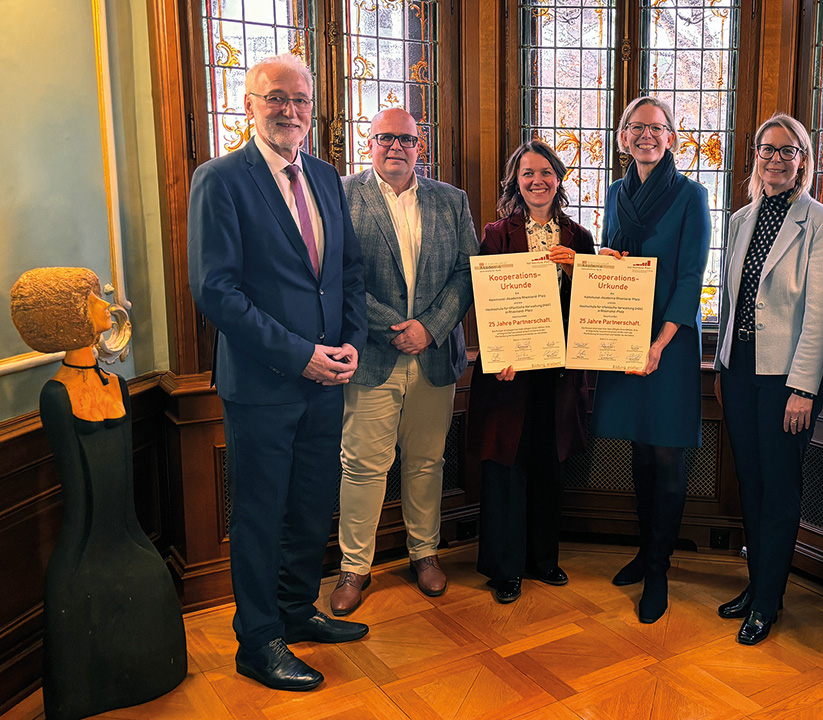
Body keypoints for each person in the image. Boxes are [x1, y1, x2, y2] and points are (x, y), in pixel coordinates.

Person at [188, 53, 368, 692]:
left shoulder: (324, 177)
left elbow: (346, 272)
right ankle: (258, 640)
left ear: (313, 107)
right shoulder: (220, 180)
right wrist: (301, 356)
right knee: (261, 516)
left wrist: (348, 344)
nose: (290, 110)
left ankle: (295, 611)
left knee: (310, 505)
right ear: (249, 103)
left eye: (300, 99)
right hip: (265, 385)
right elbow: (217, 292)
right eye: (276, 98)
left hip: (329, 379)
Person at [11, 268, 185, 718]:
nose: (105, 304)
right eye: (91, 298)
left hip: (128, 535)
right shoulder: (56, 396)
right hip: (83, 549)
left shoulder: (118, 385)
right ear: (68, 316)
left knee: (152, 580)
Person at [328, 108, 478, 615]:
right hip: (372, 355)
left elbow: (466, 273)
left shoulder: (451, 200)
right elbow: (337, 277)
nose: (396, 147)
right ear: (367, 143)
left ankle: (425, 553)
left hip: (435, 357)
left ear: (421, 146)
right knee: (363, 466)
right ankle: (355, 567)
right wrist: (397, 328)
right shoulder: (342, 195)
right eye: (384, 138)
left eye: (406, 139)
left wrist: (429, 328)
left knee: (427, 462)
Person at [713, 113, 823, 646]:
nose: (776, 159)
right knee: (751, 482)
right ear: (756, 156)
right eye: (767, 150)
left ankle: (768, 602)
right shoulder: (743, 217)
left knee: (780, 488)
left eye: (788, 151)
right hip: (740, 370)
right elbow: (729, 300)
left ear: (803, 161)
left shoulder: (822, 223)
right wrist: (723, 364)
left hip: (785, 380)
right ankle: (757, 584)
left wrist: (803, 388)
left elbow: (821, 313)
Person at [592, 96, 712, 624]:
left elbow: (690, 279)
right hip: (623, 337)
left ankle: (660, 567)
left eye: (656, 128)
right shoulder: (617, 193)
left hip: (670, 342)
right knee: (640, 451)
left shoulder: (693, 196)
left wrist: (660, 344)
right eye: (636, 127)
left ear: (671, 139)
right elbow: (612, 256)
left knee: (667, 454)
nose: (646, 135)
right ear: (623, 138)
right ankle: (644, 551)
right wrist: (606, 260)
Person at [468, 139, 595, 604]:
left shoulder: (579, 238)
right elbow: (485, 299)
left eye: (545, 172)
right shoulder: (497, 233)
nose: (537, 180)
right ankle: (505, 569)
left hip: (557, 373)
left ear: (559, 179)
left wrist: (583, 268)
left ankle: (543, 560)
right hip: (510, 370)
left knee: (548, 461)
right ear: (515, 182)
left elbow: (590, 305)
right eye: (527, 173)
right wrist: (497, 351)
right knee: (507, 465)